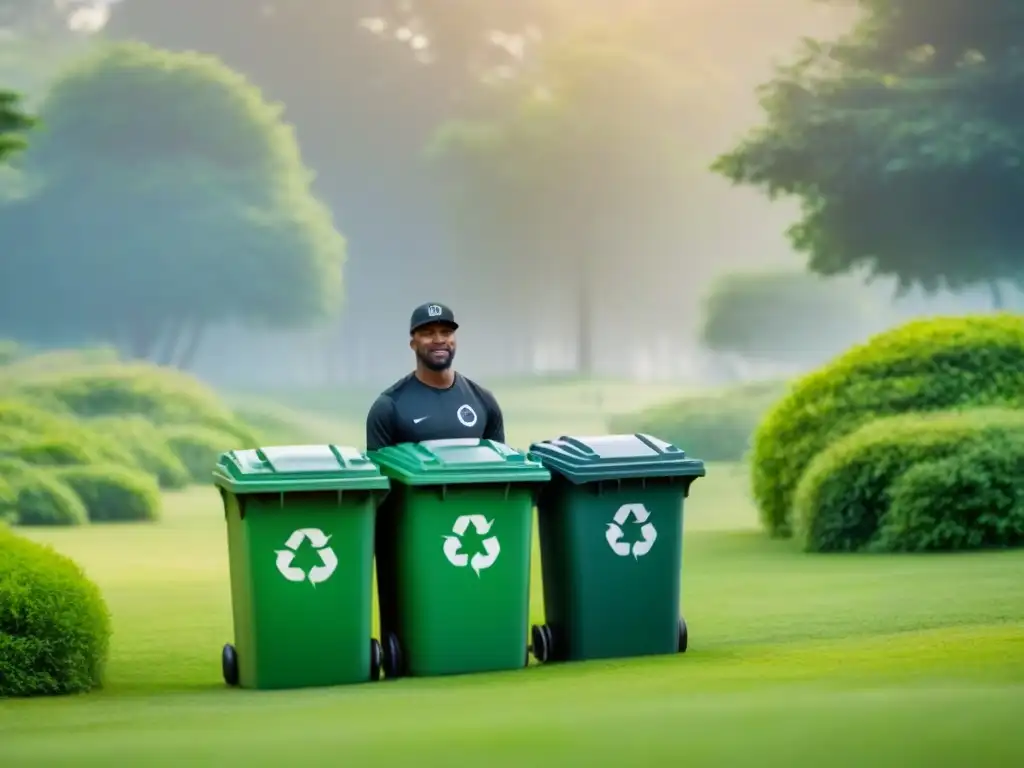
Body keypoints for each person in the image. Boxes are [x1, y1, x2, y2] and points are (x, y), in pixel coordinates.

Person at [365, 302, 505, 451]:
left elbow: (500, 465)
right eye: (428, 333)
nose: (439, 340)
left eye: (446, 332)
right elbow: (379, 469)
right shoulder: (389, 407)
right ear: (413, 344)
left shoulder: (483, 401)